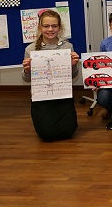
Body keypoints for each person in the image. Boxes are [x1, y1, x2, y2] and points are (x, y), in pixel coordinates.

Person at [22, 9, 79, 141]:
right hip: (41, 97)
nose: (50, 29)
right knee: (47, 134)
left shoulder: (68, 47)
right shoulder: (31, 49)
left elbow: (73, 76)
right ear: (40, 27)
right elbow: (26, 79)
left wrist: (73, 65)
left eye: (54, 26)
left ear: (60, 27)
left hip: (62, 94)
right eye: (46, 26)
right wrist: (27, 70)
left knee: (69, 131)